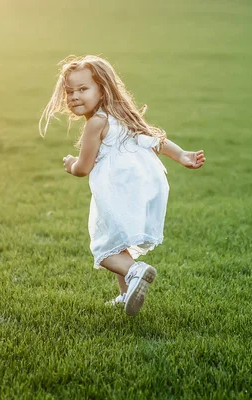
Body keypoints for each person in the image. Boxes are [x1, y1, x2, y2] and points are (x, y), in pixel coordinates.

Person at [39, 55, 205, 316]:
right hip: (143, 186)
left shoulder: (96, 124)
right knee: (118, 242)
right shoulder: (123, 116)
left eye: (83, 89)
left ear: (102, 89)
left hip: (118, 188)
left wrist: (70, 163)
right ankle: (125, 293)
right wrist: (182, 155)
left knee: (104, 250)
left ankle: (136, 271)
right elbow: (155, 140)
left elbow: (83, 168)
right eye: (69, 91)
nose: (74, 96)